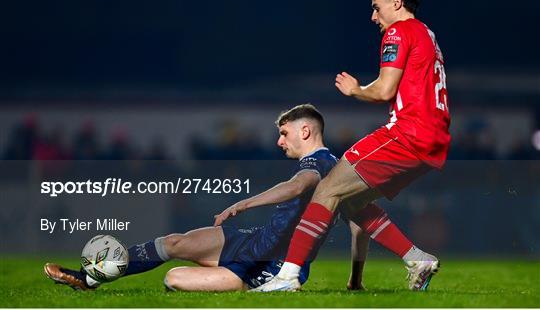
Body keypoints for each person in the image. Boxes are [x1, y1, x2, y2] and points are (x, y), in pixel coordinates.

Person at [44, 104, 434, 291]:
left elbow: (297, 188)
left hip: (267, 263)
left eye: (284, 134)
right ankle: (89, 278)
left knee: (174, 278)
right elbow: (361, 224)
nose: (279, 141)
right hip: (252, 240)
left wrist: (244, 202)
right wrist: (355, 281)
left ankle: (251, 285)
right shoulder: (334, 173)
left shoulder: (324, 165)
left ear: (304, 131)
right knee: (173, 242)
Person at [253, 0, 450, 292]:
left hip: (407, 133)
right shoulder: (425, 32)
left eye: (376, 7)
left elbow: (385, 90)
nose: (374, 16)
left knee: (326, 189)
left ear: (395, 2)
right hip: (432, 140)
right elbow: (397, 83)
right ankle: (417, 259)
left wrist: (356, 90)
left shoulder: (398, 32)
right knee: (350, 203)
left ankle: (287, 278)